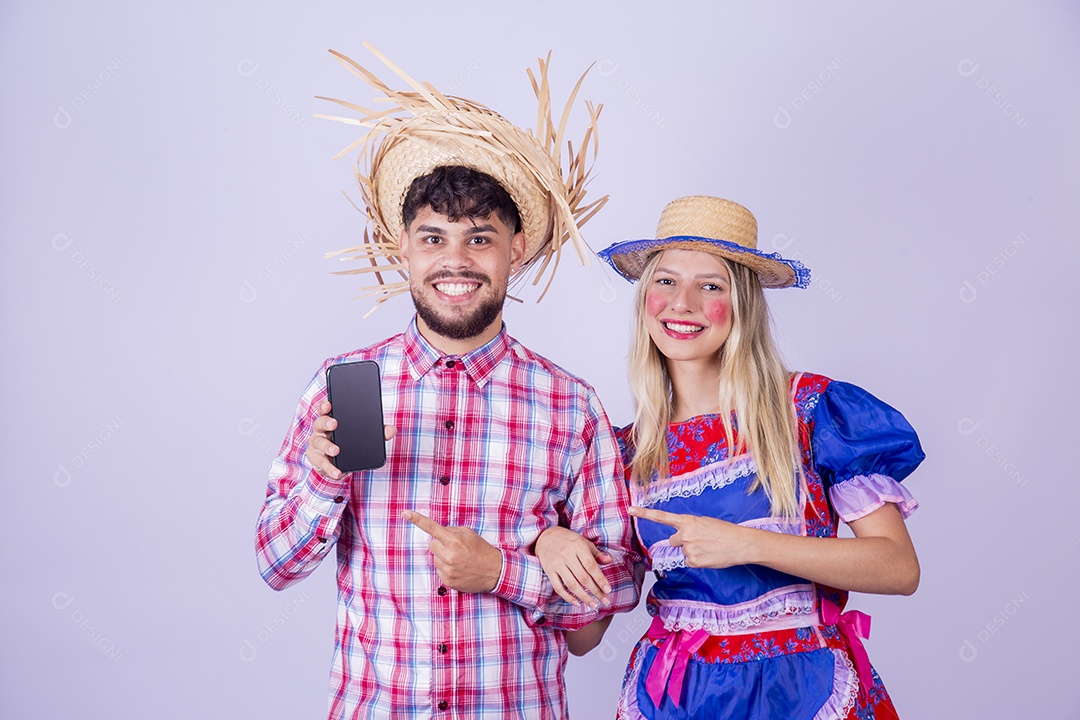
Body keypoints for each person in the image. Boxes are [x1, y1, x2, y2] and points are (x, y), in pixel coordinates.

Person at [255, 48, 640, 720]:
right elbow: (276, 567)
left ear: (514, 250)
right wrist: (323, 481)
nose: (455, 261)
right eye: (432, 239)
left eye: (479, 239)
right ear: (401, 248)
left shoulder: (569, 405)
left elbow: (608, 599)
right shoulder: (345, 386)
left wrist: (504, 570)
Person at [537, 195, 925, 719]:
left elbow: (898, 569)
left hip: (800, 688)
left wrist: (743, 543)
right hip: (677, 697)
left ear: (741, 305)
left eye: (710, 286)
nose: (683, 303)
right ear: (645, 296)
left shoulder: (807, 411)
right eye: (666, 280)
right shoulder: (626, 452)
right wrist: (550, 540)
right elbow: (585, 638)